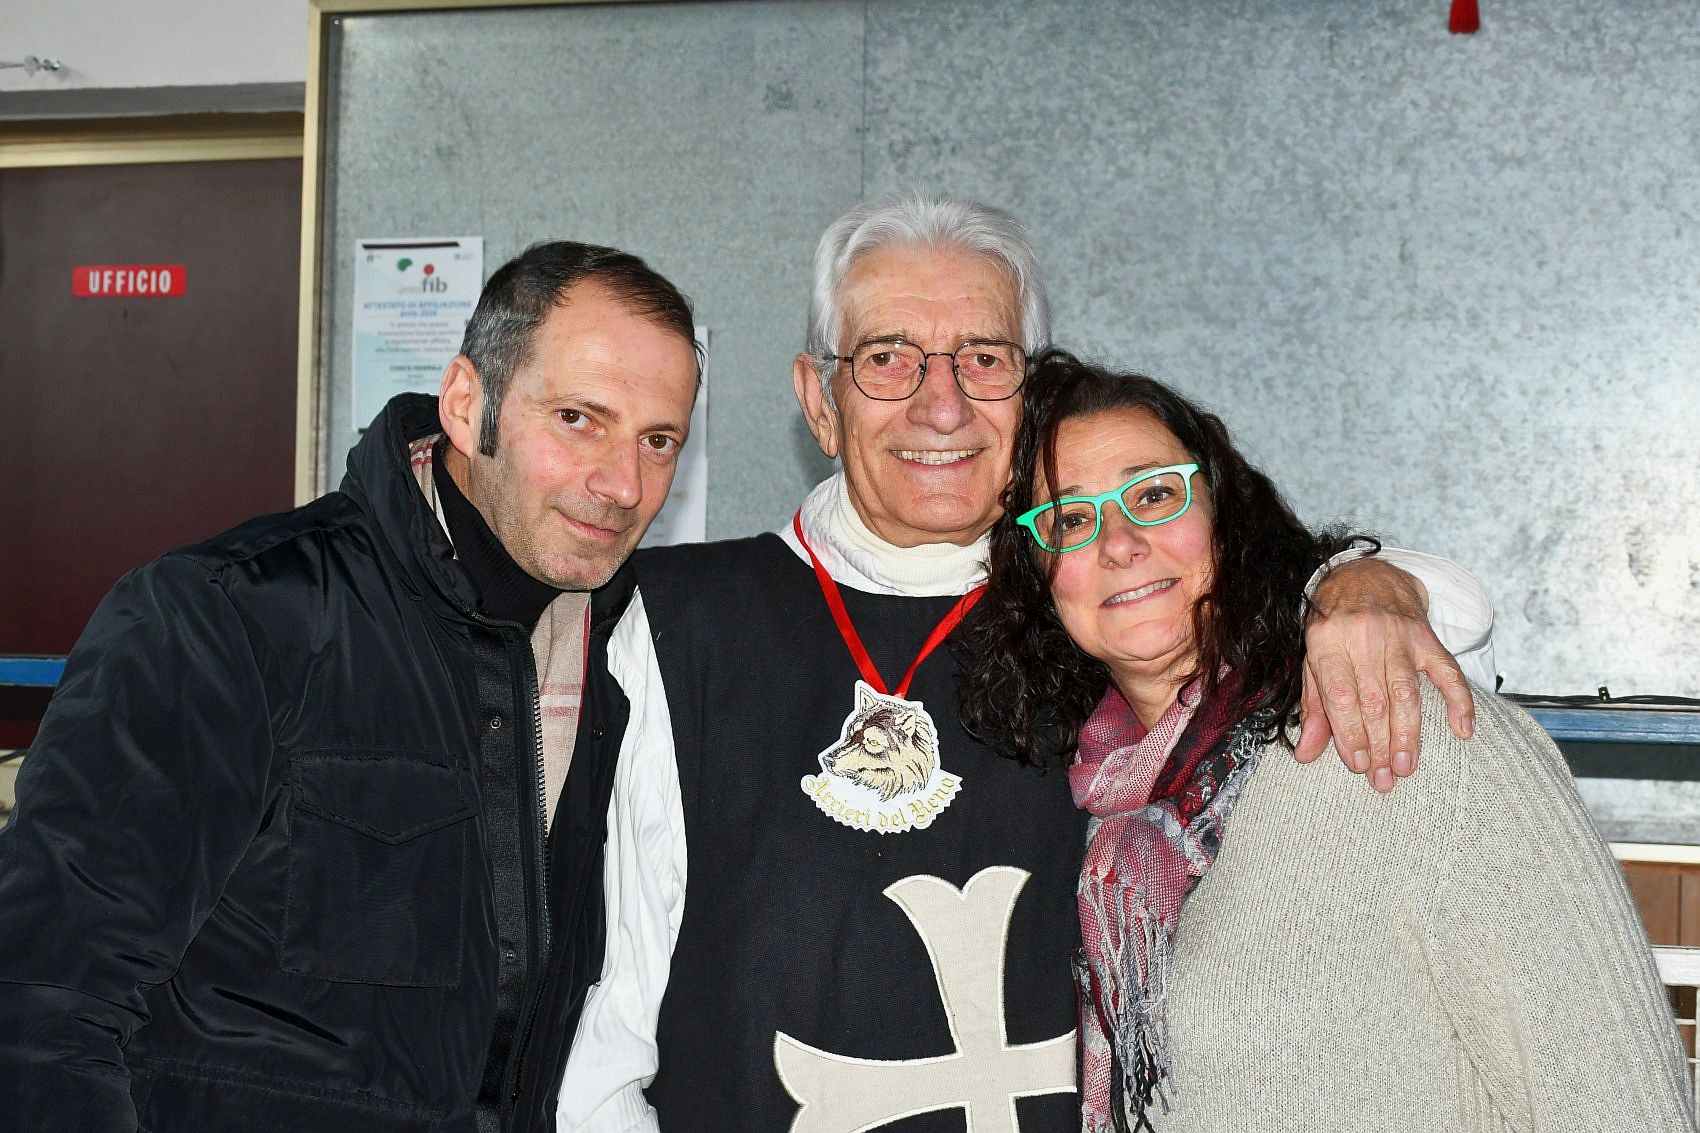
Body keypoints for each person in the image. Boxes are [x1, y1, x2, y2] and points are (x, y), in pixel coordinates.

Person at [562, 195, 1498, 1131]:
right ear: (820, 402)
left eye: (985, 358)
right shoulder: (680, 621)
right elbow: (606, 1042)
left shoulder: (1107, 605)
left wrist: (1355, 584)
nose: (941, 404)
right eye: (886, 357)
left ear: (1034, 393)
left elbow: (1451, 657)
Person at [0, 241, 702, 1132]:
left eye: (657, 440)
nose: (623, 483)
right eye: (577, 418)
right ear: (466, 404)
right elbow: (43, 1001)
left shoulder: (627, 657)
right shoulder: (228, 616)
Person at [957, 352, 1693, 1132]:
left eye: (1154, 493)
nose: (1119, 541)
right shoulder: (1089, 810)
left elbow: (1623, 1105)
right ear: (1039, 575)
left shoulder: (1408, 735)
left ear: (1225, 515)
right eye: (1071, 519)